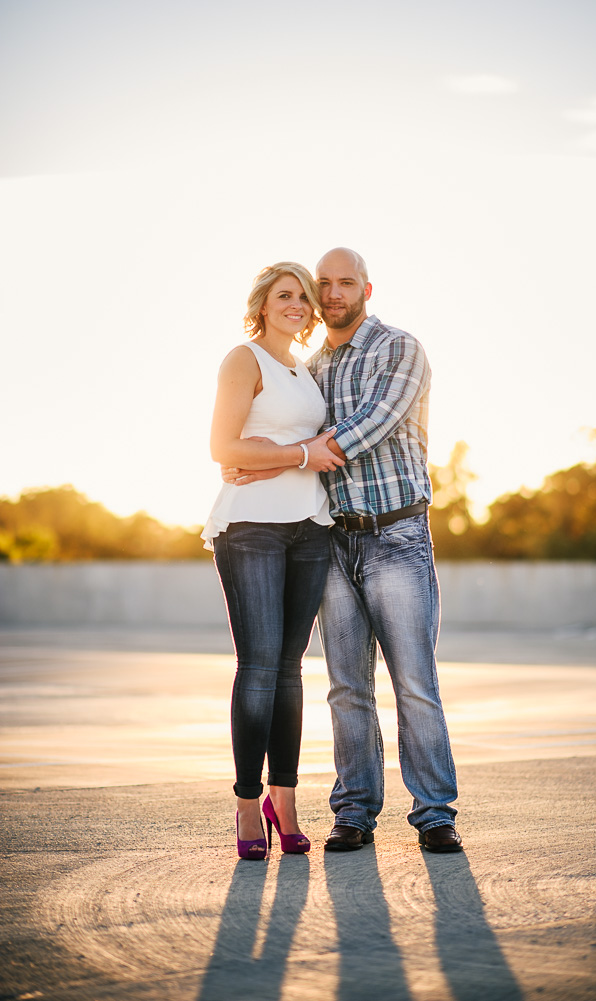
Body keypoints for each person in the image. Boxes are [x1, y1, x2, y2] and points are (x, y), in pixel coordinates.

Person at [226, 248, 463, 854]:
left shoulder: (400, 349)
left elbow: (373, 423)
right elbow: (278, 436)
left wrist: (290, 452)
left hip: (397, 535)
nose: (330, 294)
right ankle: (354, 811)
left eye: (343, 283)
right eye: (321, 284)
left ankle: (434, 812)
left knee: (413, 681)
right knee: (345, 686)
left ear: (366, 288)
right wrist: (273, 456)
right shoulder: (310, 369)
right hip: (332, 537)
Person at [201, 261, 344, 861]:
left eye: (305, 298)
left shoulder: (304, 373)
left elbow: (306, 448)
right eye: (286, 296)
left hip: (309, 528)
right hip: (252, 527)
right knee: (258, 668)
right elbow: (221, 447)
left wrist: (277, 454)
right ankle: (245, 804)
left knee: (290, 671)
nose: (300, 305)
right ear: (262, 304)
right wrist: (290, 454)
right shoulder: (245, 359)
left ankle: (282, 800)